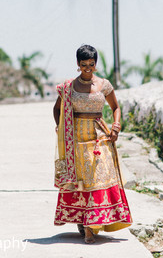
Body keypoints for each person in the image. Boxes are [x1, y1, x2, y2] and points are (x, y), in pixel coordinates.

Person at [53, 44, 132, 244]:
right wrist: (60, 128)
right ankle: (86, 225)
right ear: (77, 65)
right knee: (85, 182)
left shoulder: (104, 85)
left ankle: (90, 225)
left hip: (100, 136)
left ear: (95, 64)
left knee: (99, 179)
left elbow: (115, 107)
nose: (88, 68)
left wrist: (116, 125)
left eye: (91, 64)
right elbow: (57, 109)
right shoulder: (69, 87)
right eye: (83, 64)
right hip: (76, 139)